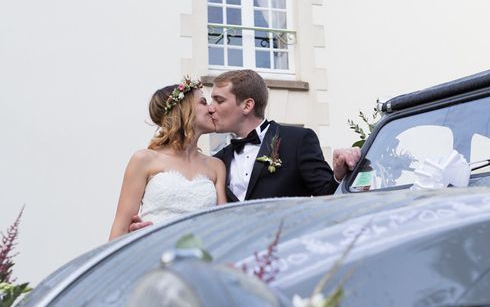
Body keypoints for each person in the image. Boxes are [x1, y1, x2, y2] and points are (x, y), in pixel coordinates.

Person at [128, 69, 360, 231]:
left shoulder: (297, 140)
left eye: (219, 100)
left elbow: (329, 196)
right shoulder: (217, 161)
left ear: (247, 105)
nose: (211, 108)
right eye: (208, 102)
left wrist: (342, 172)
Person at [109, 77, 227, 240]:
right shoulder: (144, 159)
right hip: (153, 257)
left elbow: (224, 228)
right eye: (203, 102)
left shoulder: (216, 167)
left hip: (201, 259)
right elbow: (120, 228)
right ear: (183, 109)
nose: (212, 109)